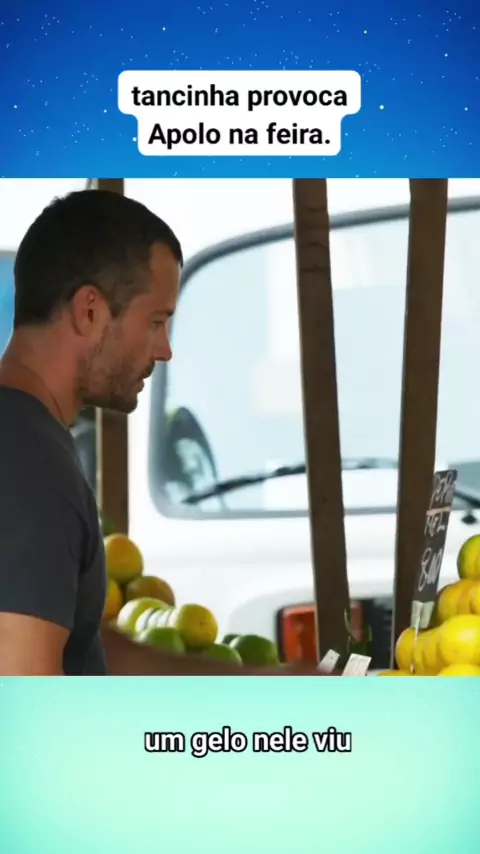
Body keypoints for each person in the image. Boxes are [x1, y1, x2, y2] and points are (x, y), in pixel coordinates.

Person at [0, 189, 330, 677]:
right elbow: (23, 696)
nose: (164, 349)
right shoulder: (31, 467)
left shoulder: (26, 439)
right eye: (156, 322)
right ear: (89, 311)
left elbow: (84, 643)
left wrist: (257, 681)